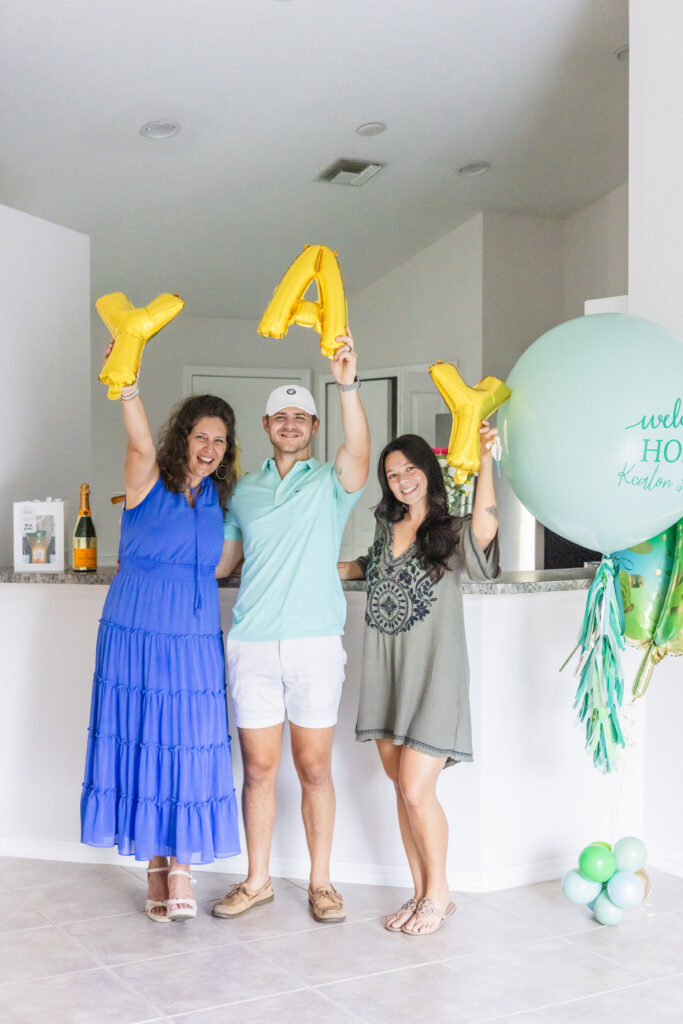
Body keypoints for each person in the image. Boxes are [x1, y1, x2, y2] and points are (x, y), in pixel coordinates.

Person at [212, 331, 370, 923]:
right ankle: (256, 882)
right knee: (257, 770)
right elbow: (223, 563)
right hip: (252, 644)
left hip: (313, 644)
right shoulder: (243, 492)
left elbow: (361, 447)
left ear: (313, 427)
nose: (289, 424)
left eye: (300, 416)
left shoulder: (331, 483)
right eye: (280, 416)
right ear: (266, 425)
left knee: (314, 770)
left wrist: (347, 383)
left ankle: (321, 884)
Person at [81, 367, 242, 923]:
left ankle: (183, 865)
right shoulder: (148, 476)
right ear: (183, 438)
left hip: (195, 633)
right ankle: (157, 864)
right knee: (145, 735)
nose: (211, 448)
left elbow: (224, 561)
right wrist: (128, 386)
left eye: (220, 440)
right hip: (140, 625)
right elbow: (140, 438)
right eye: (202, 436)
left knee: (191, 742)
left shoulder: (220, 497)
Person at [338, 425, 500, 935]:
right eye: (392, 473)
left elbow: (489, 530)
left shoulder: (452, 528)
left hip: (434, 674)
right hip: (387, 674)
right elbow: (371, 566)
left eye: (410, 468)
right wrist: (321, 565)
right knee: (401, 791)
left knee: (415, 787)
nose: (402, 479)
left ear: (427, 471)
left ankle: (441, 894)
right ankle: (420, 892)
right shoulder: (387, 528)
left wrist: (489, 461)